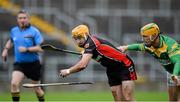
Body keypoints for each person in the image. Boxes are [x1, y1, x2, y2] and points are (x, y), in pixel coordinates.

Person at [59, 24, 137, 101]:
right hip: (111, 69)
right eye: (75, 39)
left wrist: (68, 71)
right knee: (118, 100)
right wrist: (86, 53)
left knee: (128, 98)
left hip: (124, 65)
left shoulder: (91, 43)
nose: (78, 41)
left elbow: (82, 65)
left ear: (86, 35)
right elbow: (94, 52)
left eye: (79, 37)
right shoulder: (88, 45)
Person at [118, 23, 180, 101]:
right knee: (172, 100)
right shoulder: (150, 45)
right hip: (172, 73)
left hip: (177, 70)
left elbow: (178, 61)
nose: (144, 40)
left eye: (146, 37)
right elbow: (138, 47)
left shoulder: (170, 45)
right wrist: (125, 47)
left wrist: (175, 74)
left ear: (154, 36)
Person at [1, 10, 45, 102]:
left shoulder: (34, 31)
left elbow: (41, 48)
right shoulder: (14, 31)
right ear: (17, 19)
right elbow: (11, 40)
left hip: (33, 64)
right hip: (20, 64)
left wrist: (27, 49)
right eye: (20, 18)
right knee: (14, 84)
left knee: (37, 90)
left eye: (24, 18)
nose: (22, 20)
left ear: (28, 19)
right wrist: (5, 50)